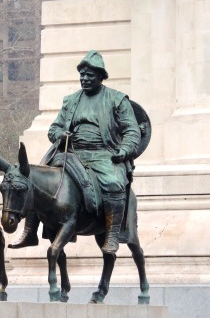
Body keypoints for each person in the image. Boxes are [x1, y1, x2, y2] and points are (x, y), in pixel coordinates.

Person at [10, 50, 141, 254]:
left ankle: (113, 234)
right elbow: (54, 128)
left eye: (90, 75)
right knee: (35, 179)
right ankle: (30, 230)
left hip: (103, 154)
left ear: (100, 76)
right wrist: (60, 135)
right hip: (70, 152)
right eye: (82, 75)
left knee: (114, 183)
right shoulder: (70, 101)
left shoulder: (117, 99)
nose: (85, 79)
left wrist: (124, 151)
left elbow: (132, 131)